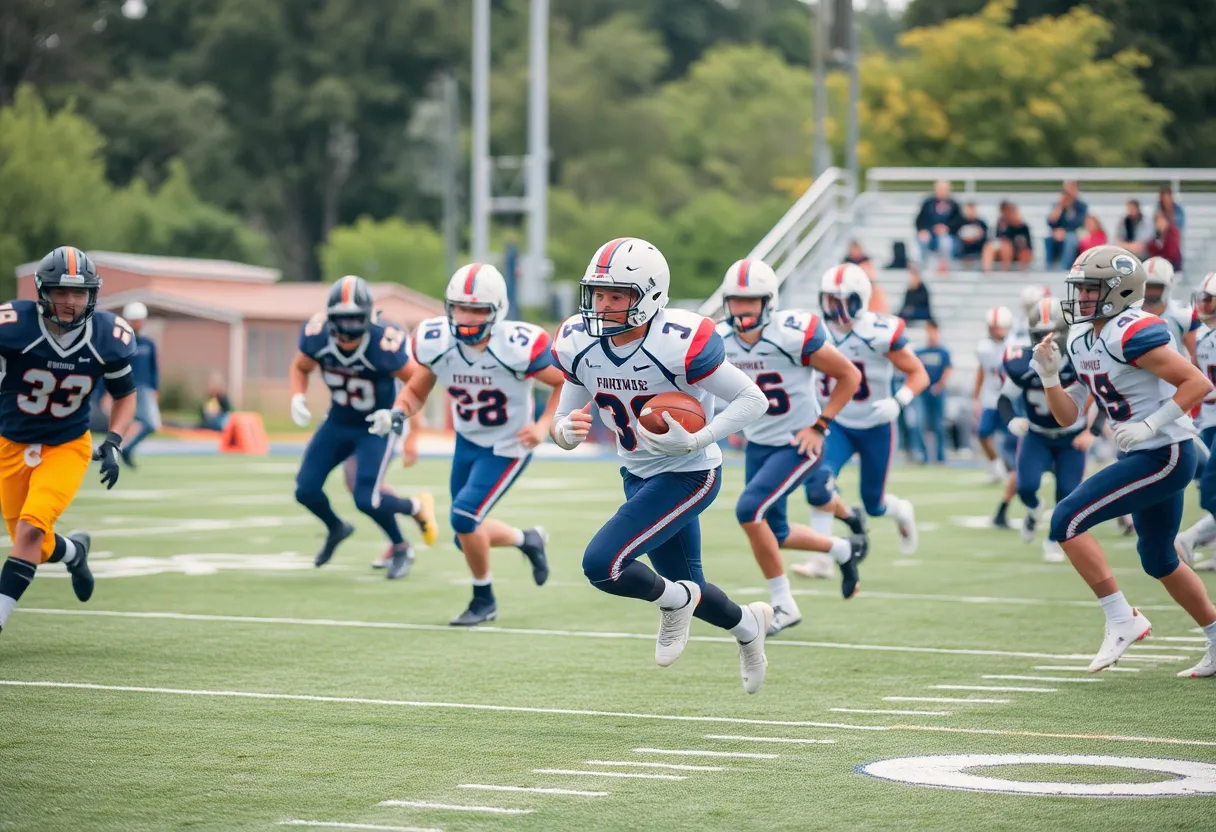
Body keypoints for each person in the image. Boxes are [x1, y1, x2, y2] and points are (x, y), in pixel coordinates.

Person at [549, 237, 773, 693]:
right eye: (598, 293)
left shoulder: (679, 343)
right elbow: (562, 415)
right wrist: (562, 432)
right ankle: (748, 625)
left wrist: (698, 436)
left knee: (603, 564)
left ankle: (676, 603)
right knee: (688, 582)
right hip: (636, 471)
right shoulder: (578, 339)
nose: (603, 305)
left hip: (691, 472)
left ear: (648, 296)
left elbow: (754, 398)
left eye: (617, 296)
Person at [1033, 245, 1216, 677]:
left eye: (1090, 290)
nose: (1080, 298)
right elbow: (1069, 414)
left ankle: (1121, 618)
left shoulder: (1132, 331)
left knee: (1066, 520)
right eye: (1079, 289)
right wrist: (1048, 378)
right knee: (1158, 558)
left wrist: (1153, 424)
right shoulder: (1081, 336)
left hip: (1165, 452)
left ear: (1119, 290)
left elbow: (1196, 382)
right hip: (1142, 451)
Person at [378, 264, 558, 626]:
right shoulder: (436, 342)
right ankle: (528, 540)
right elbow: (416, 389)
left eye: (477, 309)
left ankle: (483, 599)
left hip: (509, 443)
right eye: (460, 307)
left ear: (497, 311)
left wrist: (543, 426)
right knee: (466, 535)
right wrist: (397, 412)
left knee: (464, 518)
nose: (467, 317)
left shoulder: (517, 345)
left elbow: (564, 383)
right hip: (468, 440)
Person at [716, 258, 867, 636]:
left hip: (799, 442)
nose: (743, 310)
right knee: (777, 531)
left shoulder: (792, 334)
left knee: (749, 511)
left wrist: (820, 426)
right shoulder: (718, 340)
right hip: (760, 443)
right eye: (736, 301)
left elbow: (849, 375)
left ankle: (783, 605)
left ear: (769, 301)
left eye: (751, 301)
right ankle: (842, 550)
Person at [0, 247, 137, 638]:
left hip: (66, 445)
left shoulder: (107, 336)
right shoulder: (14, 327)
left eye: (79, 294)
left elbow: (126, 394)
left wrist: (113, 441)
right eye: (61, 292)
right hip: (10, 443)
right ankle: (75, 552)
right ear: (43, 292)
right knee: (31, 544)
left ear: (92, 295)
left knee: (29, 531)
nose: (71, 302)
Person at [289, 275, 420, 580]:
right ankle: (336, 527)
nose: (347, 328)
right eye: (341, 320)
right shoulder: (317, 334)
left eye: (354, 320)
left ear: (368, 317)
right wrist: (297, 394)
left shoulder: (384, 343)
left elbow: (418, 380)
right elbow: (300, 366)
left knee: (366, 497)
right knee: (305, 489)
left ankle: (401, 545)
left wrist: (398, 415)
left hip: (377, 426)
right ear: (329, 318)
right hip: (338, 420)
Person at [803, 263, 928, 557]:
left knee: (874, 503)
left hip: (876, 425)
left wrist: (899, 401)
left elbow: (919, 373)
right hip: (836, 424)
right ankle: (823, 559)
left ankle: (901, 511)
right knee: (818, 485)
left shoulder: (879, 331)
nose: (833, 306)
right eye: (829, 298)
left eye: (841, 299)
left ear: (859, 300)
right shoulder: (815, 331)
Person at [1000, 298, 1102, 563]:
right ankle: (1034, 511)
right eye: (1039, 335)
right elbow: (1004, 399)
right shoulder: (1025, 361)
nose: (1046, 341)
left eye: (1052, 334)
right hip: (1037, 435)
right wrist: (1012, 420)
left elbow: (1104, 397)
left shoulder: (1081, 360)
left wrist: (1092, 431)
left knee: (1067, 494)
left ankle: (1051, 541)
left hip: (1071, 437)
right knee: (1026, 487)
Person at [1175, 271, 1216, 571]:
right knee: (1208, 487)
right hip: (1208, 421)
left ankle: (1190, 538)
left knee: (1212, 489)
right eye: (1201, 298)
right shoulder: (1201, 336)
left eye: (1208, 299)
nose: (1202, 304)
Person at [117, 301, 160, 468]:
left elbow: (153, 369)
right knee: (127, 423)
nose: (138, 323)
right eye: (135, 319)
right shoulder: (122, 343)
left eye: (141, 319)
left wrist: (155, 389)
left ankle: (126, 449)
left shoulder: (149, 343)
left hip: (144, 390)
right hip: (128, 389)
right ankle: (117, 450)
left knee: (151, 424)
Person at [974, 306, 1014, 484]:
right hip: (991, 398)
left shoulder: (1015, 344)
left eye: (1000, 327)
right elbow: (982, 371)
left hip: (1010, 397)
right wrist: (975, 396)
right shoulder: (984, 347)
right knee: (982, 433)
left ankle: (1016, 468)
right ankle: (997, 467)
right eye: (994, 327)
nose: (997, 331)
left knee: (1013, 437)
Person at [1140, 256, 1198, 361]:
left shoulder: (1182, 316)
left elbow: (1196, 358)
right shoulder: (1130, 315)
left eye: (1156, 286)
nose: (1151, 292)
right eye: (1148, 286)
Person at [915, 321, 952, 464]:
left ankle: (940, 456)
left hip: (938, 392)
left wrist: (939, 385)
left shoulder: (943, 352)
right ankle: (923, 455)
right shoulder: (920, 352)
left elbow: (948, 369)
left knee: (939, 425)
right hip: (923, 392)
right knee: (920, 423)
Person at [914, 180, 962, 274]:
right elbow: (919, 221)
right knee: (923, 240)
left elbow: (959, 222)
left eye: (944, 189)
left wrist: (947, 228)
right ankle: (924, 267)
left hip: (948, 235)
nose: (941, 191)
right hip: (930, 234)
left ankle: (944, 267)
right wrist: (923, 230)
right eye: (940, 189)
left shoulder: (954, 205)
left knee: (945, 241)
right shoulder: (928, 203)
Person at [981, 201, 1033, 272]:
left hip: (1018, 251)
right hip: (1003, 250)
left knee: (1007, 246)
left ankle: (1005, 271)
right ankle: (986, 271)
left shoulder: (1023, 227)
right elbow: (999, 238)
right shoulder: (1002, 224)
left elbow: (1027, 246)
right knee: (990, 247)